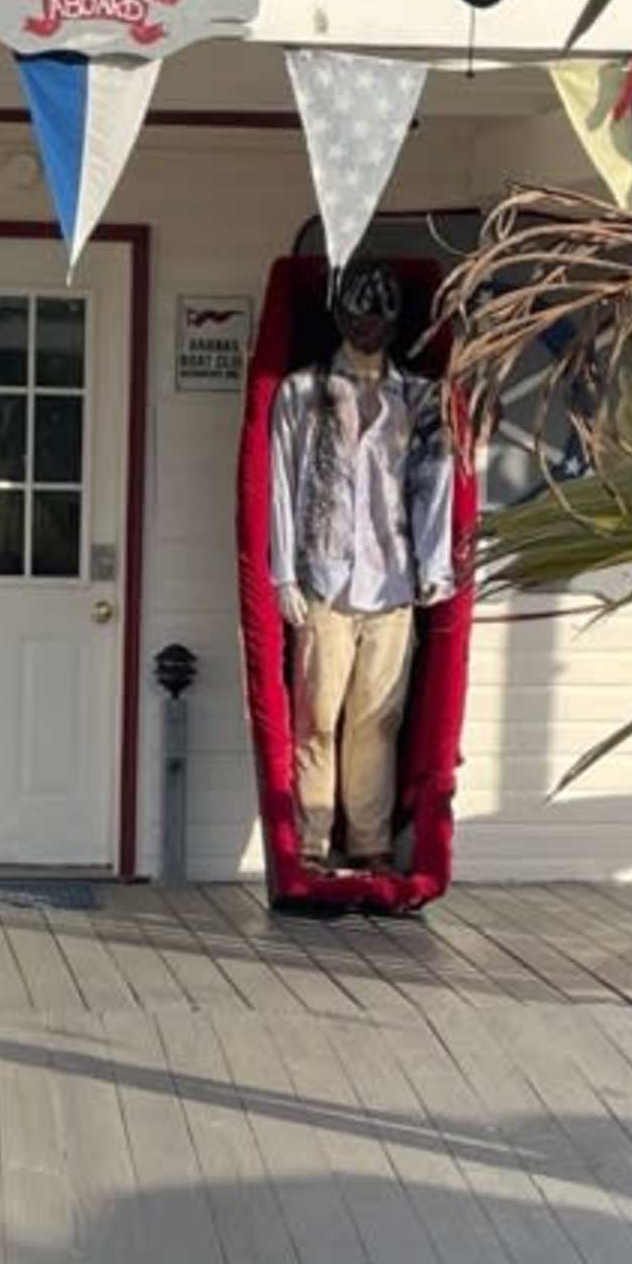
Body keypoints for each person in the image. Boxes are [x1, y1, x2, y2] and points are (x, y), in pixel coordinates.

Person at [268, 263, 456, 871]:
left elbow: (436, 484)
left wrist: (436, 564)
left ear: (394, 322)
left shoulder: (419, 399)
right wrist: (284, 574)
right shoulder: (303, 391)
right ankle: (314, 841)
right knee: (317, 717)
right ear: (341, 317)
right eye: (357, 314)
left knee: (377, 721)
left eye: (379, 316)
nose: (367, 326)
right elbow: (280, 483)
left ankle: (369, 843)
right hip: (323, 579)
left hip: (394, 579)